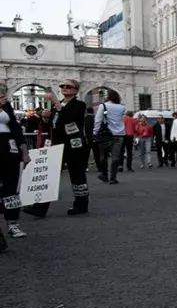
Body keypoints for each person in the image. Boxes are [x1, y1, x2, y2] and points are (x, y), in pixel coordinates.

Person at [24, 79, 92, 217]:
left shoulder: (79, 105)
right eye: (63, 86)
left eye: (69, 86)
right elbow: (53, 126)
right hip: (58, 144)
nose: (65, 88)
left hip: (74, 144)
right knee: (50, 175)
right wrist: (45, 119)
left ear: (76, 90)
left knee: (77, 174)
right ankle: (40, 207)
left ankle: (81, 204)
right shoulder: (57, 106)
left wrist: (55, 101)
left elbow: (69, 119)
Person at [1, 85, 31, 238]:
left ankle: (13, 224)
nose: (2, 95)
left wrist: (25, 152)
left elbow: (16, 128)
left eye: (3, 92)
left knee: (12, 185)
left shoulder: (6, 106)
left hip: (9, 146)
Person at [93, 92, 127, 184]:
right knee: (116, 156)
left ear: (109, 97)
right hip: (119, 133)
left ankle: (104, 175)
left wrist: (95, 132)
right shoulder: (122, 107)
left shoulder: (103, 106)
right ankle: (113, 177)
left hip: (106, 133)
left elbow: (98, 120)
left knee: (103, 155)